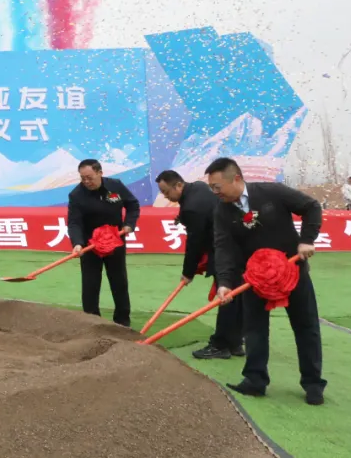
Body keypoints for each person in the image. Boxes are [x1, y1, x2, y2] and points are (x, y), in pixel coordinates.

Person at [206, 157, 327, 405]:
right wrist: (225, 283)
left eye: (217, 187)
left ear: (236, 179)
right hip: (255, 280)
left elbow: (311, 206)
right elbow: (223, 247)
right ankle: (255, 380)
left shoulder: (272, 192)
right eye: (211, 188)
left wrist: (307, 239)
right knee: (254, 329)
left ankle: (313, 383)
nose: (215, 192)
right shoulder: (222, 210)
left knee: (306, 327)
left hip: (291, 273)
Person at [156, 170, 244, 359]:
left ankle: (220, 345)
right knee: (236, 296)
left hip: (225, 251)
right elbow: (195, 211)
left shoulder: (192, 207)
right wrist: (183, 218)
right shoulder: (198, 187)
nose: (165, 196)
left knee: (227, 297)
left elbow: (194, 243)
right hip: (236, 246)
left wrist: (188, 272)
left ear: (179, 185)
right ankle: (235, 343)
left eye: (166, 192)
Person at [67, 159, 140, 327]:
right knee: (90, 284)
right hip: (90, 246)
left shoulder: (115, 186)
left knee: (119, 281)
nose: (86, 182)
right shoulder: (76, 195)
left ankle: (122, 321)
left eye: (90, 177)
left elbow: (133, 205)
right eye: (83, 178)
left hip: (114, 242)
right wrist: (77, 243)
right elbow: (74, 222)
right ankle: (92, 321)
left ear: (100, 173)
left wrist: (129, 224)